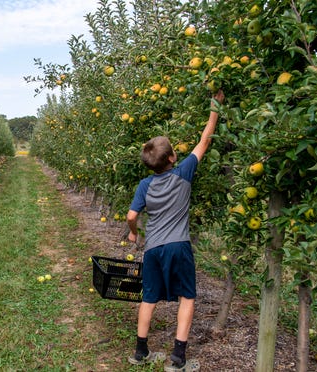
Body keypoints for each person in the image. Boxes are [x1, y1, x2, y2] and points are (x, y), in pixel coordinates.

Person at [126, 90, 225, 371]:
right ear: (171, 158)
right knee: (187, 297)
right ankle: (178, 358)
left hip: (154, 248)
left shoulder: (145, 185)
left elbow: (131, 215)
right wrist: (214, 109)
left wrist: (134, 232)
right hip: (179, 245)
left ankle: (140, 351)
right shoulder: (184, 173)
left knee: (149, 297)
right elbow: (205, 140)